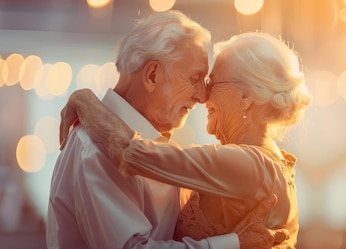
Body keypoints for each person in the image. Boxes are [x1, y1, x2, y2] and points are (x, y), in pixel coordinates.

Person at [47, 11, 288, 249]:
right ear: (152, 75)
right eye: (196, 79)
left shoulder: (158, 150)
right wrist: (234, 244)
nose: (202, 96)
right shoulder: (95, 148)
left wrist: (84, 99)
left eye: (210, 82)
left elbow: (131, 152)